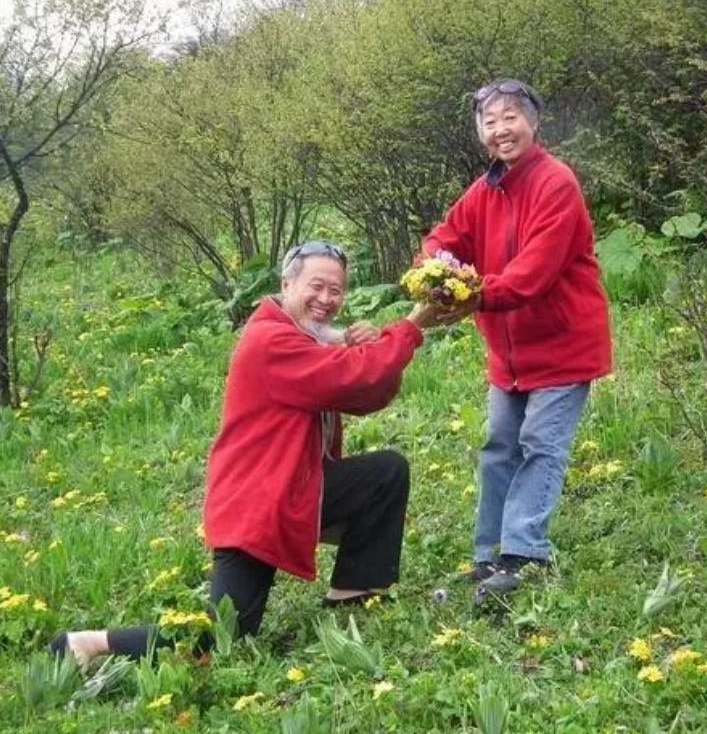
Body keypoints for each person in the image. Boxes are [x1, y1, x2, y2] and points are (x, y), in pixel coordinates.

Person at [51, 241, 440, 667]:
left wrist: (372, 346)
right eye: (316, 286)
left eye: (336, 290)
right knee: (224, 637)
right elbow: (356, 376)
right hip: (255, 506)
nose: (327, 299)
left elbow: (367, 393)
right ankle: (88, 643)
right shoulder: (271, 341)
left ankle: (352, 595)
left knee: (385, 472)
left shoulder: (306, 339)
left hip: (291, 491)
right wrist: (409, 327)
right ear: (286, 284)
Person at [423, 79, 612, 596]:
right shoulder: (485, 190)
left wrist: (472, 295)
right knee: (499, 448)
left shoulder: (556, 183)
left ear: (533, 122)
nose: (501, 130)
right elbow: (445, 236)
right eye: (490, 122)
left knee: (539, 447)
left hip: (563, 345)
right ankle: (489, 556)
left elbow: (532, 275)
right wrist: (433, 268)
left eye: (510, 117)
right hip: (508, 354)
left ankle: (523, 554)